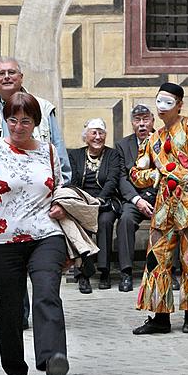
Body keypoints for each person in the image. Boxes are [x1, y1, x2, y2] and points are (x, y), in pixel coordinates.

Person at [0, 91, 69, 375]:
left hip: (46, 234)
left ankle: (53, 358)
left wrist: (63, 205)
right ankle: (15, 369)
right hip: (2, 239)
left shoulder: (49, 151)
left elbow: (61, 187)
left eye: (25, 121)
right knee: (10, 307)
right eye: (12, 120)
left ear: (36, 123)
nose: (18, 127)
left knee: (46, 292)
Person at [0, 56, 72, 327]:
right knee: (10, 287)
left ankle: (44, 333)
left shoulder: (44, 108)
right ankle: (19, 316)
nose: (6, 77)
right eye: (0, 73)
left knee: (43, 280)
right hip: (6, 206)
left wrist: (63, 199)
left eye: (11, 72)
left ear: (21, 77)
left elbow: (59, 155)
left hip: (41, 203)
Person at [129, 83, 188, 335]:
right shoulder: (153, 139)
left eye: (168, 102)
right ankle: (160, 318)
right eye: (159, 101)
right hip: (164, 208)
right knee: (157, 259)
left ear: (179, 104)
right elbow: (136, 173)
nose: (161, 107)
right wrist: (155, 176)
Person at [66, 118, 121, 292]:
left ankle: (105, 271)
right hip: (82, 202)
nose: (98, 137)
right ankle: (83, 274)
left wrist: (100, 200)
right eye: (94, 133)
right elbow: (73, 181)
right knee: (83, 225)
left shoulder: (112, 155)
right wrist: (83, 203)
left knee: (104, 222)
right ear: (86, 136)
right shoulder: (75, 155)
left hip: (105, 202)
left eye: (101, 133)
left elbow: (112, 180)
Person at [114, 105, 157, 292]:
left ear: (152, 121)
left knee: (172, 220)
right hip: (134, 198)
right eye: (137, 120)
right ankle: (126, 273)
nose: (141, 124)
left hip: (159, 196)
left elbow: (168, 171)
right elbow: (122, 177)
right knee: (125, 220)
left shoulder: (162, 140)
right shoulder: (123, 145)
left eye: (145, 119)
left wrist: (149, 195)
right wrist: (137, 200)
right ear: (132, 123)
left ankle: (170, 272)